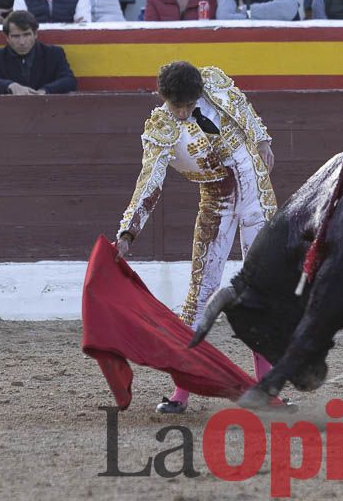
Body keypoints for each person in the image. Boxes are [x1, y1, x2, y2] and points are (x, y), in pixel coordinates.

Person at [115, 60, 277, 414]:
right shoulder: (161, 129)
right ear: (164, 99)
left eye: (190, 104)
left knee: (260, 290)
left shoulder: (214, 82)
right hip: (215, 200)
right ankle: (181, 393)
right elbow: (149, 182)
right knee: (200, 294)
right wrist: (128, 231)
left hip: (254, 189)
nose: (185, 112)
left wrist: (262, 138)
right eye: (178, 106)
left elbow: (242, 105)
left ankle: (269, 391)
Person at [0, 10, 77, 95]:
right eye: (16, 36)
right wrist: (11, 86)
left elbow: (69, 80)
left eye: (26, 35)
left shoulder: (54, 53)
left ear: (35, 34)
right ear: (7, 37)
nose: (22, 42)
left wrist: (45, 90)